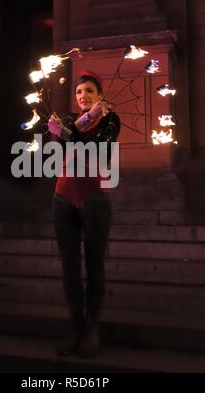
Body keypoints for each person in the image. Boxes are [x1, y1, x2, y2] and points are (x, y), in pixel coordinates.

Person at [48, 70, 120, 359]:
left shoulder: (111, 120)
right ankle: (76, 329)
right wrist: (60, 132)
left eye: (89, 91)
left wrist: (85, 121)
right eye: (79, 93)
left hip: (95, 198)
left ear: (98, 94)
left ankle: (92, 330)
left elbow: (94, 147)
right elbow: (63, 148)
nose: (83, 96)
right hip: (63, 197)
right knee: (69, 267)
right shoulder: (65, 120)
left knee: (94, 266)